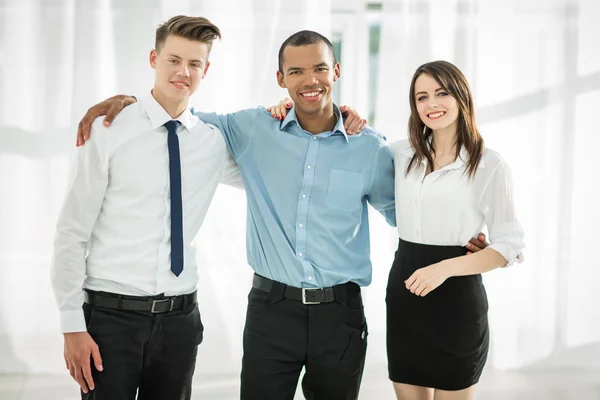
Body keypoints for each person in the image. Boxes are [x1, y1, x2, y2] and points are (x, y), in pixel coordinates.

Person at [76, 33, 487, 399]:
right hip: (271, 311)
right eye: (296, 71)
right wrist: (130, 103)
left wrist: (461, 236)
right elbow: (180, 116)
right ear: (281, 79)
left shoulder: (369, 148)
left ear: (336, 71)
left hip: (339, 315)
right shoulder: (252, 129)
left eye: (320, 69)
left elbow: (406, 213)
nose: (310, 80)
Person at [50, 16, 242, 400]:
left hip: (180, 321)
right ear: (154, 58)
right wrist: (72, 325)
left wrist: (334, 117)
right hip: (110, 319)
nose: (183, 72)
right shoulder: (108, 130)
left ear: (207, 70)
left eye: (195, 64)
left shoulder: (213, 144)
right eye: (173, 60)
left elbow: (278, 163)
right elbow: (72, 231)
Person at [386, 61, 524, 400]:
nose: (431, 104)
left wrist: (444, 268)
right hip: (406, 293)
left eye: (441, 93)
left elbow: (509, 246)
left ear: (461, 97)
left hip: (457, 303)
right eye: (422, 97)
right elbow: (347, 148)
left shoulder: (489, 164)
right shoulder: (399, 153)